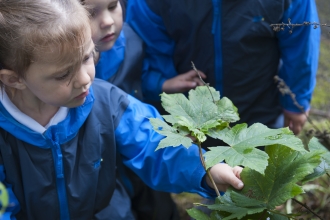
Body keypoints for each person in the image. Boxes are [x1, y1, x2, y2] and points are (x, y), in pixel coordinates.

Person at [0, 0, 244, 219]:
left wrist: (207, 170)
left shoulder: (106, 101)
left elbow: (153, 144)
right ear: (14, 79)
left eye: (87, 57)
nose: (85, 79)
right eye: (64, 74)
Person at [126, 0, 321, 138]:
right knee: (204, 175)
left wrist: (296, 101)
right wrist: (159, 82)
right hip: (191, 110)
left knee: (257, 176)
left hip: (261, 104)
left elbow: (301, 44)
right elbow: (148, 41)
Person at [82, 0, 180, 218]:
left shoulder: (131, 40)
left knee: (160, 210)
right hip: (98, 172)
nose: (107, 21)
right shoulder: (64, 72)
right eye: (90, 12)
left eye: (112, 5)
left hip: (141, 151)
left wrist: (162, 84)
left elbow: (140, 77)